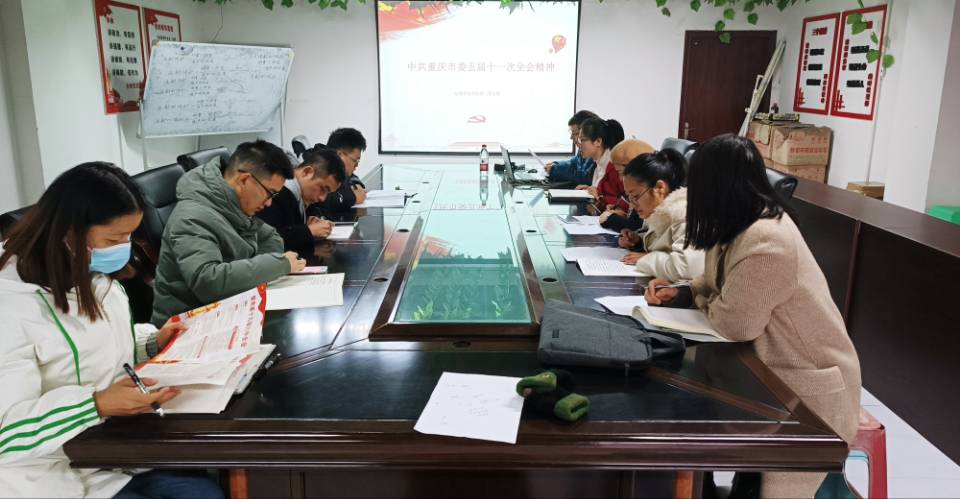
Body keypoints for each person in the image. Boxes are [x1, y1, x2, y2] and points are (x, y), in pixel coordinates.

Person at [645, 134, 861, 498]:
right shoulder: (738, 222)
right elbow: (715, 281)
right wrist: (685, 291)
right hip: (762, 372)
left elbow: (736, 324)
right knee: (687, 417)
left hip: (802, 393)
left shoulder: (767, 239)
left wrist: (707, 301)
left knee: (750, 477)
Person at [0, 163, 223, 498]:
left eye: (129, 235)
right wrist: (95, 405)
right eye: (114, 238)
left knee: (205, 492)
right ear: (68, 232)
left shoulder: (91, 273)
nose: (124, 247)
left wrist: (151, 342)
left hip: (110, 448)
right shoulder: (10, 305)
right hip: (47, 468)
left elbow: (95, 346)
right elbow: (7, 431)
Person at [151, 140, 306, 327]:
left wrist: (253, 271)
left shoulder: (231, 204)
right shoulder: (192, 217)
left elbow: (270, 237)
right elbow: (208, 281)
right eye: (269, 193)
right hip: (187, 326)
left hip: (227, 312)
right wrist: (277, 265)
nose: (269, 203)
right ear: (244, 180)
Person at [618, 150, 703, 281]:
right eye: (629, 197)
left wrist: (647, 259)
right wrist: (638, 241)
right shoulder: (657, 211)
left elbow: (686, 267)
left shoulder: (684, 214)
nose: (632, 205)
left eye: (635, 196)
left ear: (659, 188)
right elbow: (661, 243)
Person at [256, 147, 347, 252]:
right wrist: (308, 231)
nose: (322, 198)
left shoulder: (298, 195)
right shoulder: (278, 194)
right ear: (307, 172)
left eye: (328, 193)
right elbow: (266, 241)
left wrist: (312, 226)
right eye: (323, 189)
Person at [599, 139, 655, 233]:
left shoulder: (650, 190)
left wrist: (610, 218)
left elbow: (640, 227)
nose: (621, 179)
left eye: (620, 172)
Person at [309, 128, 368, 215]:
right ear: (339, 155)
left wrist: (356, 185)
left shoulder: (333, 167)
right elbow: (320, 200)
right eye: (355, 160)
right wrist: (352, 197)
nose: (356, 165)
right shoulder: (317, 167)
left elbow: (351, 177)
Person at [574, 118, 628, 211]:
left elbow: (629, 205)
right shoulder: (597, 165)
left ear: (598, 141)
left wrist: (600, 196)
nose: (579, 145)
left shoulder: (615, 168)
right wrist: (590, 190)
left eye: (582, 140)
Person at [544, 110, 600, 186]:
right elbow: (573, 163)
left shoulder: (595, 152)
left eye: (575, 133)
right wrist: (556, 164)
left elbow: (586, 178)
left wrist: (556, 170)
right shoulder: (583, 149)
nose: (571, 137)